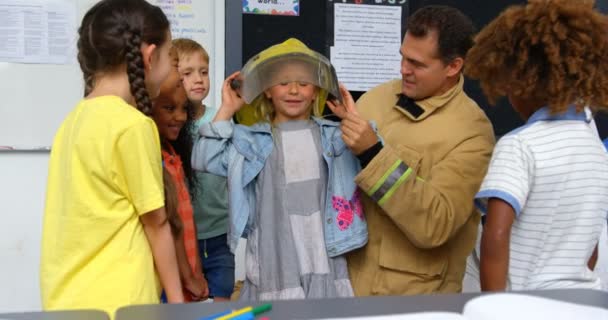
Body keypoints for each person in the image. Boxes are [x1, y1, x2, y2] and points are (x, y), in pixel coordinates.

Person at [328, 5, 495, 295]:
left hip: (411, 299)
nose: (404, 69)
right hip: (346, 287)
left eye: (417, 64)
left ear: (453, 67)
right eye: (403, 57)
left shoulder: (472, 134)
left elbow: (436, 224)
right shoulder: (376, 98)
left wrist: (373, 155)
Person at [192, 38, 368, 301]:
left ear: (316, 90)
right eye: (284, 82)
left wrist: (350, 118)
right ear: (267, 90)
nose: (294, 90)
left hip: (322, 253)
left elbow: (373, 154)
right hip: (274, 255)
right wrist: (227, 110)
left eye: (304, 82)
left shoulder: (334, 137)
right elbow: (203, 158)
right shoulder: (250, 140)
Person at [41, 0, 183, 314]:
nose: (170, 70)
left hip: (68, 300)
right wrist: (178, 305)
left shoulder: (72, 121)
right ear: (149, 56)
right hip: (121, 300)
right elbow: (157, 225)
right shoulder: (132, 125)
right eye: (169, 58)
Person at [465, 0, 608, 291]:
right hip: (586, 300)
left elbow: (496, 234)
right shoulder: (596, 149)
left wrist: (493, 306)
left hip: (529, 302)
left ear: (523, 83)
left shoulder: (519, 145)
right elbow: (591, 244)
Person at [173, 38, 235, 301]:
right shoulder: (171, 125)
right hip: (184, 236)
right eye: (188, 74)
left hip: (220, 232)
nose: (199, 79)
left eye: (204, 72)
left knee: (221, 299)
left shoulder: (220, 117)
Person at [150, 47, 209, 301]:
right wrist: (188, 277)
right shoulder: (155, 158)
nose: (180, 117)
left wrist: (195, 272)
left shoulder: (173, 156)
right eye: (169, 108)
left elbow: (186, 221)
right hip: (167, 280)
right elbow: (169, 223)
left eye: (184, 108)